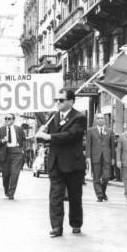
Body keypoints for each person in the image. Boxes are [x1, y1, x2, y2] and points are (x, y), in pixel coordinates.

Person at [36, 89, 86, 237]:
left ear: (70, 101)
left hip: (73, 163)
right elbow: (43, 139)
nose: (57, 102)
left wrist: (48, 136)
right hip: (56, 162)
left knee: (74, 196)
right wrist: (40, 132)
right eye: (56, 100)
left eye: (61, 100)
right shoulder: (53, 117)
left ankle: (76, 223)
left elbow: (70, 135)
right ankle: (56, 227)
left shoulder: (79, 117)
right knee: (55, 196)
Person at [85, 113, 114, 202]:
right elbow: (88, 145)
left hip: (106, 157)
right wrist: (88, 157)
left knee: (106, 177)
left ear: (104, 120)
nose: (100, 120)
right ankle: (100, 195)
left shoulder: (109, 131)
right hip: (95, 157)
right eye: (98, 118)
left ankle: (103, 192)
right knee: (96, 177)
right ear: (96, 120)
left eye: (102, 118)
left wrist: (113, 158)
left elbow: (112, 146)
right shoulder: (90, 131)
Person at [0, 113, 27, 200]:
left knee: (15, 174)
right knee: (5, 175)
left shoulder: (19, 129)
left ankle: (11, 193)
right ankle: (7, 190)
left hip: (17, 153)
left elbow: (24, 140)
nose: (7, 120)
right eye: (5, 118)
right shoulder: (0, 130)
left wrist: (22, 150)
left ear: (13, 120)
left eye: (9, 118)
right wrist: (3, 140)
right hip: (5, 154)